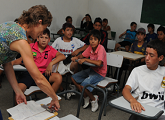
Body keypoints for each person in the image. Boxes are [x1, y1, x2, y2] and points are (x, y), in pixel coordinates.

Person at [0, 5, 60, 117]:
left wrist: (18, 91)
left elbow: (7, 64)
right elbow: (38, 79)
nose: (40, 34)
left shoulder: (12, 25)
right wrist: (54, 98)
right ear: (38, 23)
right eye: (42, 30)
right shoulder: (21, 40)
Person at [12, 28, 65, 95]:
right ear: (37, 38)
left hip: (43, 75)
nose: (43, 40)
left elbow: (62, 56)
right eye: (41, 37)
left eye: (46, 38)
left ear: (49, 40)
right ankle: (19, 105)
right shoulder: (30, 47)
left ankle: (49, 100)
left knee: (58, 77)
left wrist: (51, 63)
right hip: (29, 74)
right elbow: (20, 60)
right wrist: (12, 63)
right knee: (18, 91)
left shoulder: (51, 49)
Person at [122, 39, 165, 120]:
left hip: (159, 113)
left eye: (151, 55)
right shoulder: (137, 71)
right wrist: (133, 100)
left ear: (160, 58)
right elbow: (126, 89)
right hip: (141, 110)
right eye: (146, 54)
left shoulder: (163, 72)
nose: (147, 58)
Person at [71, 29, 107, 112]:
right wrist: (77, 57)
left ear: (99, 41)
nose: (92, 41)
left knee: (84, 85)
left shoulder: (101, 48)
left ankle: (94, 99)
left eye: (95, 39)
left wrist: (85, 60)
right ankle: (86, 97)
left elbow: (98, 63)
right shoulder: (90, 47)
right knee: (73, 78)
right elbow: (83, 55)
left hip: (100, 73)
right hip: (92, 70)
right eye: (91, 39)